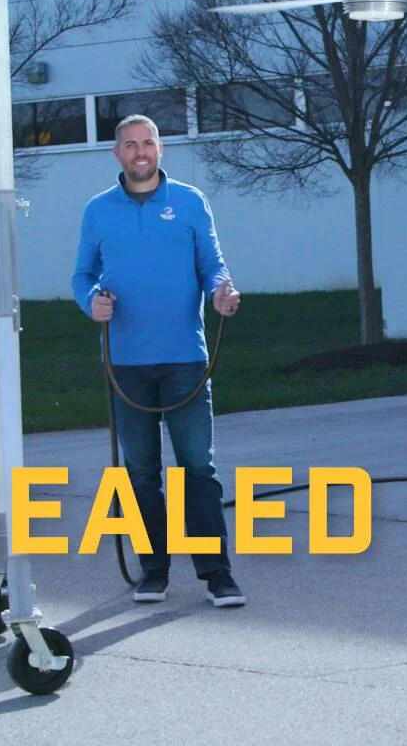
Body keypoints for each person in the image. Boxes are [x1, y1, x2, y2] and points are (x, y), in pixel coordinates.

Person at [72, 114, 245, 607]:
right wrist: (91, 302)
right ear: (117, 153)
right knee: (140, 472)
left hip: (185, 358)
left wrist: (222, 292)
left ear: (160, 148)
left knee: (197, 467)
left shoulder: (190, 202)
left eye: (147, 142)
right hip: (126, 362)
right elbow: (82, 275)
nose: (140, 151)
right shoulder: (98, 210)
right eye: (130, 144)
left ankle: (217, 574)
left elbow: (212, 265)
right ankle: (154, 571)